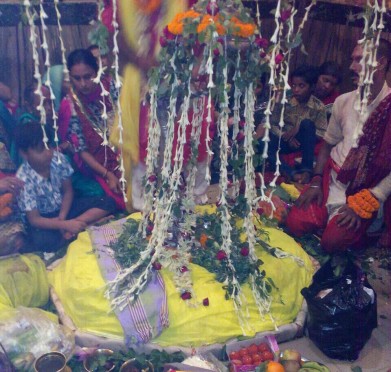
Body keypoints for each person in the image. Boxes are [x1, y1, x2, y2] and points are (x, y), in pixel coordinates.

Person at [286, 39, 391, 252]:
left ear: (380, 63)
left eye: (359, 60)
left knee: (332, 242)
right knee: (295, 223)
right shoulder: (343, 101)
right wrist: (316, 181)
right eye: (352, 59)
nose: (352, 66)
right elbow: (327, 145)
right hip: (332, 179)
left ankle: (368, 226)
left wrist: (373, 197)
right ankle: (327, 216)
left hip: (365, 190)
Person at [15, 122, 117, 253]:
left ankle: (76, 224)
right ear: (24, 153)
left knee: (107, 202)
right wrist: (63, 224)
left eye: (49, 146)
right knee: (41, 241)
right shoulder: (22, 179)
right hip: (44, 219)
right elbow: (34, 220)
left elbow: (68, 192)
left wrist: (64, 219)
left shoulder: (59, 159)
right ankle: (77, 228)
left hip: (65, 209)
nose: (48, 153)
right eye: (41, 149)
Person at [58, 49, 125, 210]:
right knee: (115, 200)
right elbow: (82, 151)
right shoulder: (70, 106)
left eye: (88, 76)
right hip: (100, 166)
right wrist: (107, 175)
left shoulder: (113, 87)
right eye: (77, 78)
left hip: (130, 153)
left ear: (97, 71)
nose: (83, 84)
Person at [266, 65, 328, 184]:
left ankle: (306, 170)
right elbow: (272, 124)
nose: (296, 90)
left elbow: (322, 132)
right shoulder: (285, 102)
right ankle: (292, 173)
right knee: (264, 143)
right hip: (283, 140)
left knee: (307, 124)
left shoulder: (318, 106)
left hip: (304, 143)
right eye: (294, 86)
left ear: (312, 87)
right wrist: (285, 135)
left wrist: (299, 129)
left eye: (301, 86)